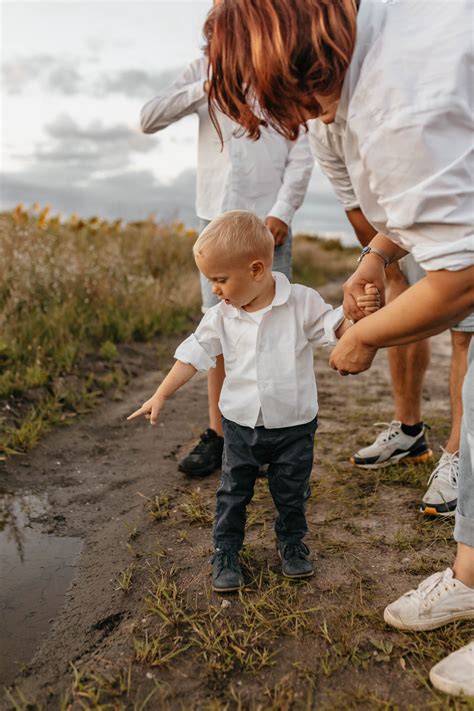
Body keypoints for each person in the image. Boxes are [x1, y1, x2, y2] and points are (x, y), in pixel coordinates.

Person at [203, 0, 474, 695]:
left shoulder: (399, 95)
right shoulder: (375, 54)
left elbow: (462, 276)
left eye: (270, 94)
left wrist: (361, 337)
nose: (281, 115)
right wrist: (376, 256)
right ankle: (471, 581)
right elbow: (430, 205)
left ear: (286, 53)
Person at [127, 210, 380, 592]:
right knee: (233, 491)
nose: (214, 289)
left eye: (220, 280)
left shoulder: (301, 302)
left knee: (291, 491)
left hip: (294, 425)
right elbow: (192, 356)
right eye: (211, 280)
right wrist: (161, 393)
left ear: (257, 269)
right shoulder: (220, 317)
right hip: (241, 425)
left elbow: (336, 328)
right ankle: (226, 550)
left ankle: (292, 543)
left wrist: (361, 316)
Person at [140, 34, 313, 479]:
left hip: (267, 227)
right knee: (218, 329)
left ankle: (273, 434)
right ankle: (221, 435)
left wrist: (282, 212)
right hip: (214, 223)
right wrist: (208, 86)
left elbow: (303, 150)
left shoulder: (283, 73)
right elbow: (148, 118)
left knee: (273, 326)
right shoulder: (203, 70)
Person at [309, 119, 473, 516]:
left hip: (459, 221)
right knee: (410, 309)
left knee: (465, 329)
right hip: (414, 227)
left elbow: (460, 288)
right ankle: (409, 431)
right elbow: (367, 205)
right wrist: (379, 260)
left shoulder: (419, 99)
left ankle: (460, 458)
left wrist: (365, 337)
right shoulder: (321, 126)